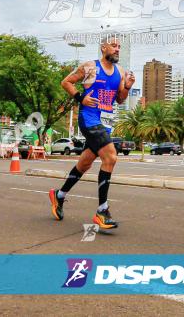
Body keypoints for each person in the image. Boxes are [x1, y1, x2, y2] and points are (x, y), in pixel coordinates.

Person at [50, 33, 134, 229]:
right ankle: (102, 210)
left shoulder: (120, 71)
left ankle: (59, 195)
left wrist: (128, 88)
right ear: (103, 48)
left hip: (105, 122)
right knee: (111, 157)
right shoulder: (90, 67)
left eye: (119, 46)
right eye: (113, 45)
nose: (117, 49)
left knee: (85, 163)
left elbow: (120, 100)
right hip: (89, 119)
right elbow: (66, 82)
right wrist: (80, 98)